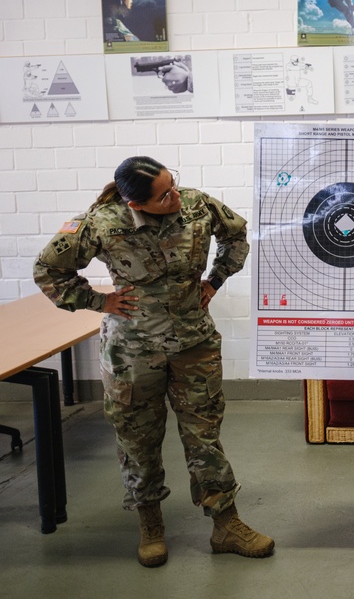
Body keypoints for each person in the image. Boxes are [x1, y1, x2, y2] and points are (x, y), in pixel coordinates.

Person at [33, 156, 274, 568]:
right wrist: (99, 301)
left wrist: (214, 280)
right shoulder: (101, 223)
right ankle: (150, 524)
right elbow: (48, 270)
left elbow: (237, 236)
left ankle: (226, 523)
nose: (176, 196)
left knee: (204, 435)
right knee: (137, 438)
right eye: (165, 195)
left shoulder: (198, 205)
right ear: (136, 204)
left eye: (173, 184)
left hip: (193, 344)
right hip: (132, 353)